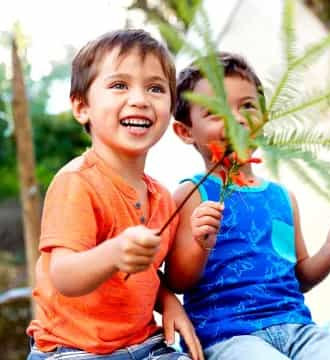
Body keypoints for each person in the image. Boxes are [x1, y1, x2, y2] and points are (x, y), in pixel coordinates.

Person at [26, 29, 216, 360]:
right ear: (82, 107)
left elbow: (148, 271)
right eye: (119, 85)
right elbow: (64, 275)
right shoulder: (77, 182)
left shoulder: (162, 197)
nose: (140, 99)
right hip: (73, 350)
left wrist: (168, 300)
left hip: (144, 345)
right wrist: (113, 253)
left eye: (156, 88)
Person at [166, 52, 330, 359]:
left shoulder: (282, 198)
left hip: (298, 330)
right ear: (185, 131)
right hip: (228, 337)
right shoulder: (191, 195)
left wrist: (329, 253)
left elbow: (298, 277)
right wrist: (200, 244)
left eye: (247, 107)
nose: (238, 120)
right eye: (216, 112)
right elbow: (176, 281)